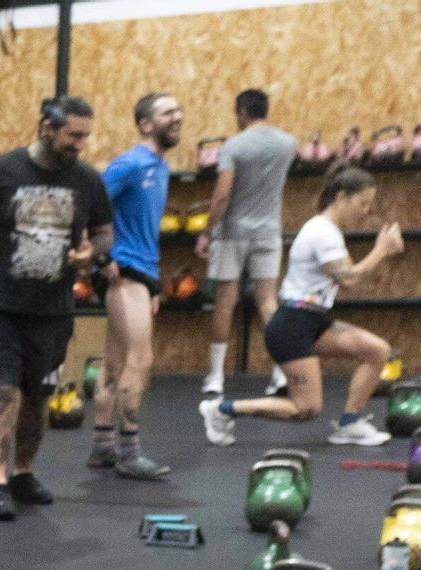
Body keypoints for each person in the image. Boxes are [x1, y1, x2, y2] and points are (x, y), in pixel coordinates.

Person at [0, 97, 114, 521]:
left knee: (38, 398)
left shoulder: (87, 180)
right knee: (2, 392)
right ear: (46, 128)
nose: (79, 144)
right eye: (73, 135)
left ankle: (22, 473)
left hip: (52, 310)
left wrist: (92, 253)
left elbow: (104, 231)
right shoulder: (1, 171)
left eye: (85, 136)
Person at [199, 164, 401, 448]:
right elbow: (349, 278)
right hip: (292, 326)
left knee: (376, 351)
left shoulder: (329, 231)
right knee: (305, 409)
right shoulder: (322, 232)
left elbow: (345, 278)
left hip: (312, 321)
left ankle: (349, 423)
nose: (366, 211)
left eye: (370, 204)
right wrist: (382, 250)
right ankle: (222, 410)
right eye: (362, 203)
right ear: (341, 198)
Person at [90, 92, 182, 481]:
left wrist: (156, 285)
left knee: (114, 365)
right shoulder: (130, 164)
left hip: (142, 272)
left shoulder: (159, 167)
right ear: (146, 124)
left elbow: (145, 230)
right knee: (139, 362)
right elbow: (88, 205)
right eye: (167, 113)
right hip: (123, 270)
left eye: (178, 111)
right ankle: (129, 451)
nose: (176, 117)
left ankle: (103, 447)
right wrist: (100, 257)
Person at [200, 88, 298, 397]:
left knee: (226, 301)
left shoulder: (234, 145)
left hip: (233, 233)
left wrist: (206, 231)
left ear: (242, 112)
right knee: (268, 302)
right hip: (269, 232)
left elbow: (221, 195)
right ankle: (280, 374)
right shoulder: (288, 143)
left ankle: (216, 378)